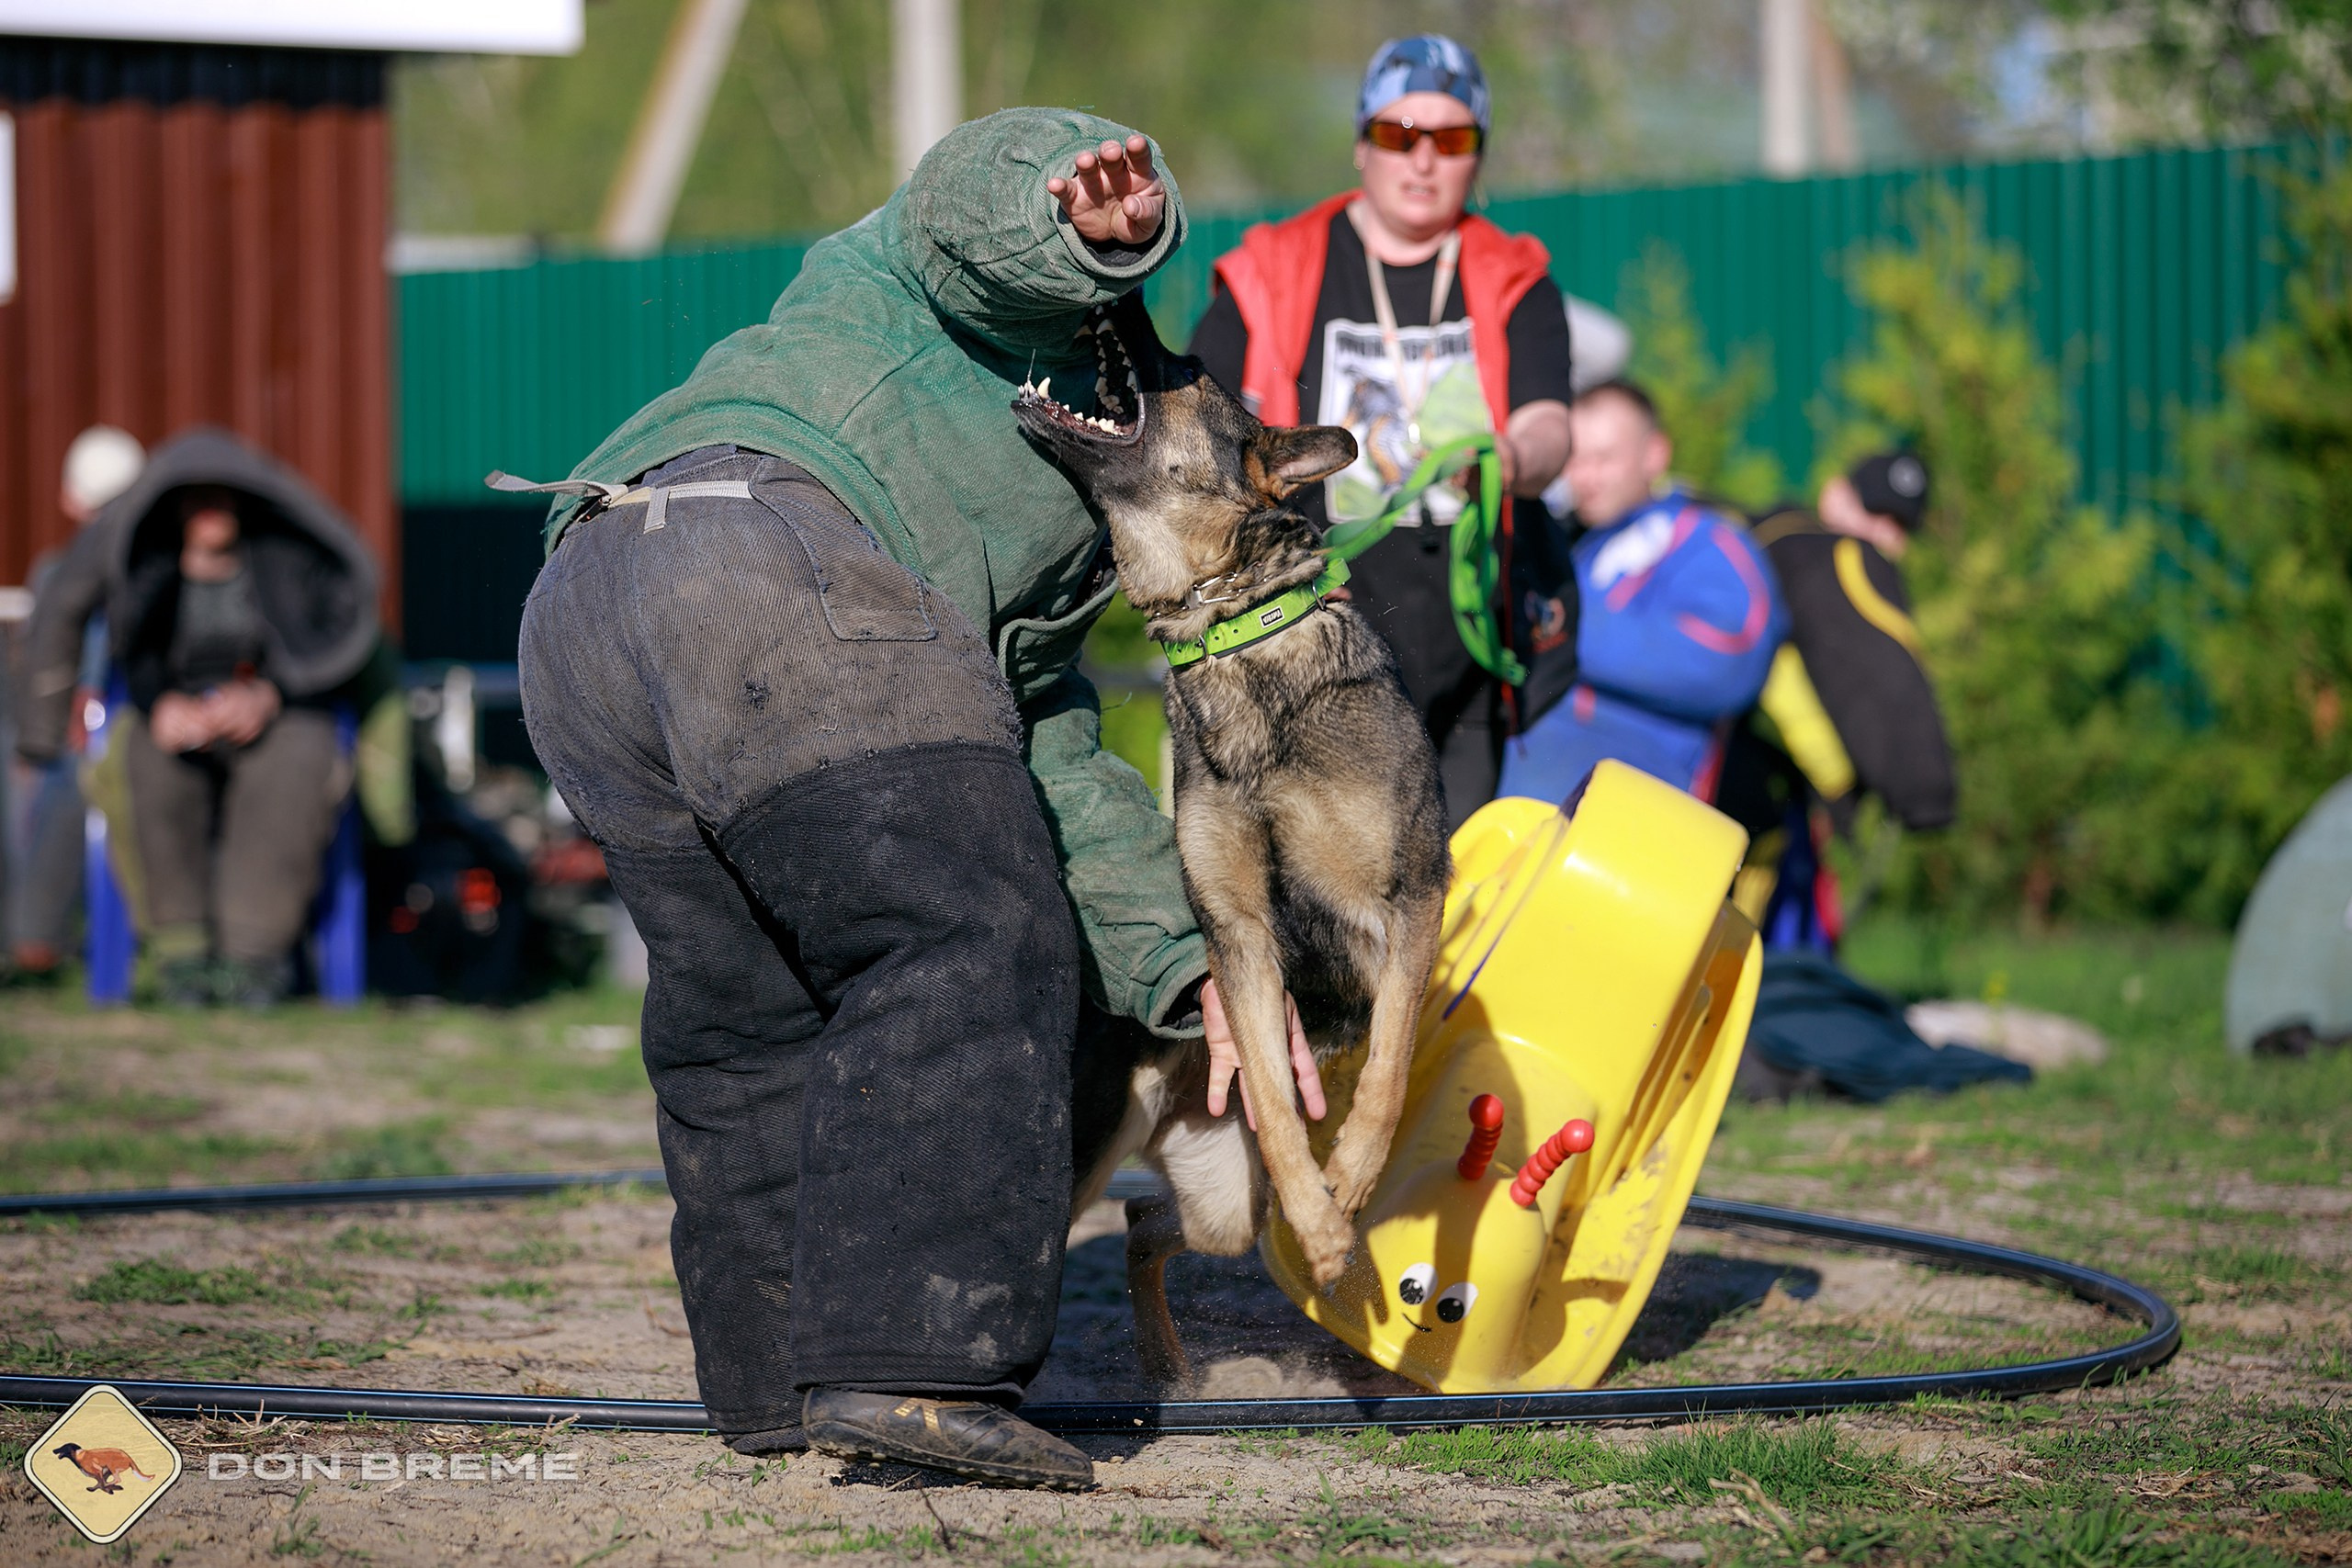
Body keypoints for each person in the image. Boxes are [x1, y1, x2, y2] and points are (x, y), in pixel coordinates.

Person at [515, 110, 1322, 1492]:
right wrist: (1088, 218)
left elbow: (1047, 749)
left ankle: (778, 1380)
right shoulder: (945, 296)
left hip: (596, 600)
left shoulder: (1053, 557)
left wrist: (1193, 975)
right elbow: (970, 216)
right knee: (978, 930)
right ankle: (913, 1368)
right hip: (777, 555)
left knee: (745, 1004)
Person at [1188, 34, 1576, 823]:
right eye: (1399, 135)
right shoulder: (1274, 269)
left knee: (1445, 908)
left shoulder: (1517, 278)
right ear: (1362, 145)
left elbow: (1549, 426)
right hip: (1305, 651)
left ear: (1479, 155)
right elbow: (1199, 428)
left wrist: (1509, 454)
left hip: (1464, 653)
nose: (1423, 160)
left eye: (1452, 138)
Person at [52, 429, 378, 1006]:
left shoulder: (283, 560)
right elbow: (134, 654)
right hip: (180, 713)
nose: (211, 512)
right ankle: (182, 955)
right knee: (147, 761)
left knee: (298, 758)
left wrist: (270, 695)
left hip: (274, 708)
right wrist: (161, 706)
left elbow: (332, 640)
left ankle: (253, 957)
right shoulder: (149, 568)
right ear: (174, 507)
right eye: (196, 499)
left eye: (222, 498)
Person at [1496, 379, 1788, 806]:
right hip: (1526, 804)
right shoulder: (1580, 542)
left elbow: (1731, 655)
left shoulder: (1704, 540)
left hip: (1624, 818)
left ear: (1655, 455)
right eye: (1575, 460)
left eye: (1604, 458)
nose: (1586, 477)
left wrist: (1558, 624)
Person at [1731, 451, 1956, 953]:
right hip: (1763, 784)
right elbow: (1893, 687)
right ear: (1834, 496)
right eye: (1874, 514)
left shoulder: (1758, 537)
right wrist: (1925, 796)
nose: (1885, 536)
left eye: (1901, 526)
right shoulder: (1838, 557)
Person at [10, 425, 146, 981]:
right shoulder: (65, 572)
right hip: (83, 722)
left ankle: (34, 937)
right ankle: (33, 935)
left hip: (98, 726)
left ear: (71, 497)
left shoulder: (62, 570)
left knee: (65, 783)